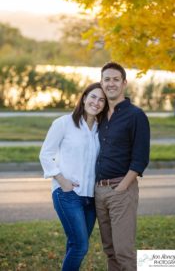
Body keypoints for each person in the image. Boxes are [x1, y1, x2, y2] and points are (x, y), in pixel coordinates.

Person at [39, 82, 107, 271]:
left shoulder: (102, 130)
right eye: (93, 97)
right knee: (80, 246)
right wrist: (62, 181)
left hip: (91, 198)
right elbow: (45, 154)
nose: (96, 102)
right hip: (67, 194)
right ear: (84, 98)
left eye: (101, 100)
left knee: (74, 244)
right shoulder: (63, 123)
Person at [95, 62, 150, 271]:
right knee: (109, 250)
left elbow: (140, 159)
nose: (111, 83)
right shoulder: (99, 116)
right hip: (99, 191)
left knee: (123, 252)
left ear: (124, 83)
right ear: (101, 83)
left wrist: (122, 188)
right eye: (106, 79)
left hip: (121, 189)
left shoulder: (136, 116)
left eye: (115, 79)